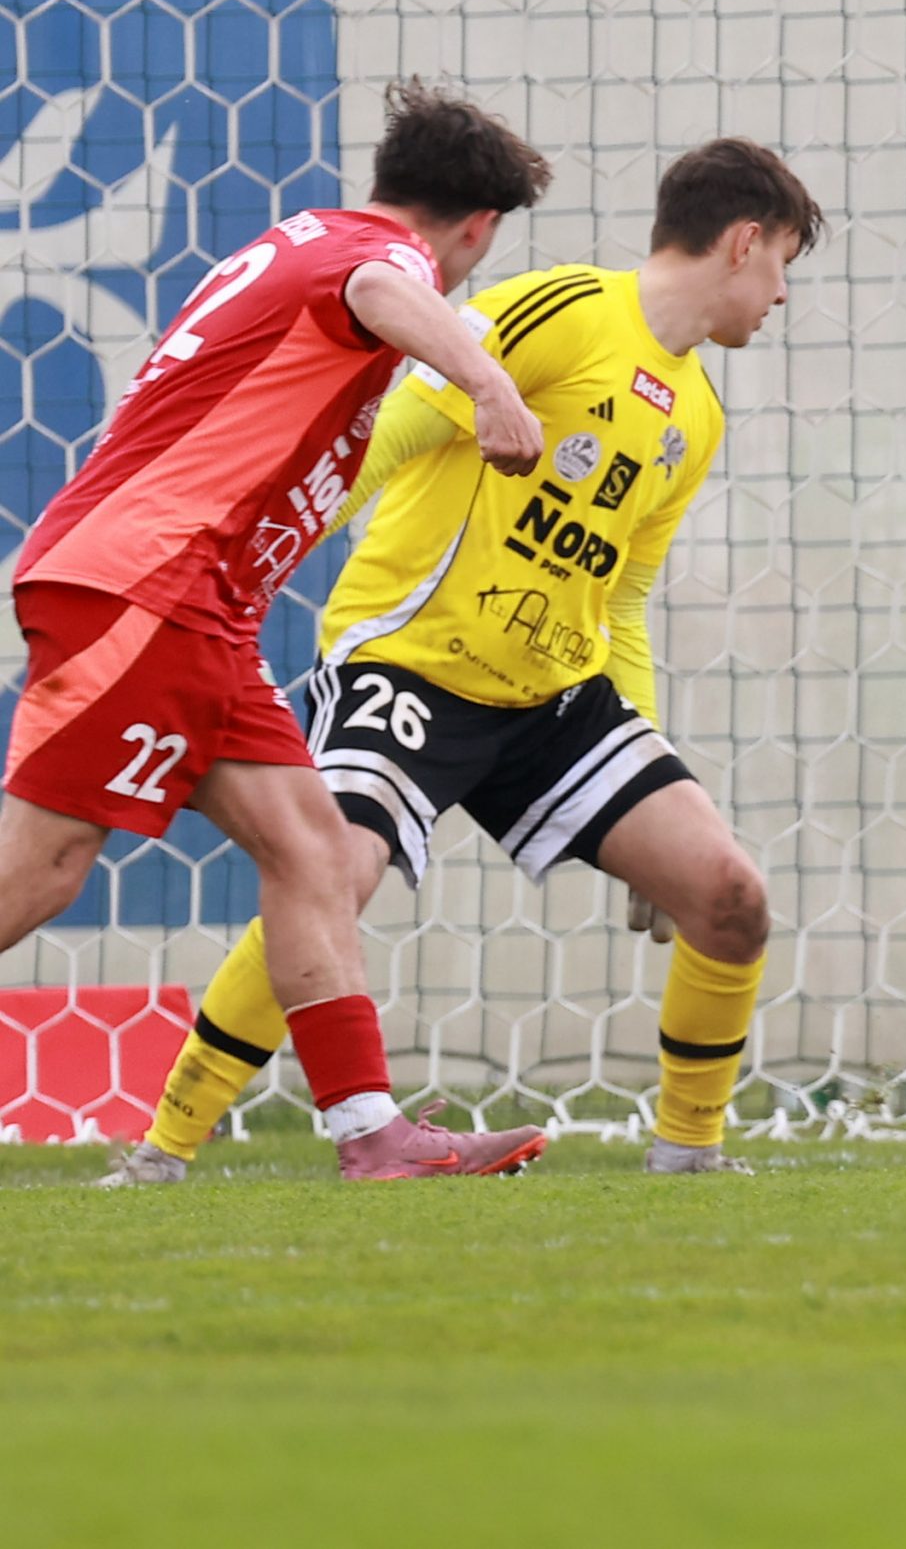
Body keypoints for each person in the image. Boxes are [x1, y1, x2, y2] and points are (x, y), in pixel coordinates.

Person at [101, 140, 825, 1185]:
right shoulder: (560, 310)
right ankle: (163, 1152)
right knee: (331, 878)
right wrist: (250, 574)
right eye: (784, 264)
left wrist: (647, 751)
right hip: (408, 664)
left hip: (553, 698)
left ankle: (690, 1155)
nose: (782, 295)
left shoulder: (697, 416)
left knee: (729, 893)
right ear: (744, 243)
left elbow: (621, 597)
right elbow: (387, 435)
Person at [5, 79, 555, 1179]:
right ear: (478, 227)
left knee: (314, 852)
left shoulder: (301, 240)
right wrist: (491, 384)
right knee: (47, 864)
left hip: (196, 607)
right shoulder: (374, 258)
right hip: (151, 585)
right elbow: (380, 287)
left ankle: (373, 1134)